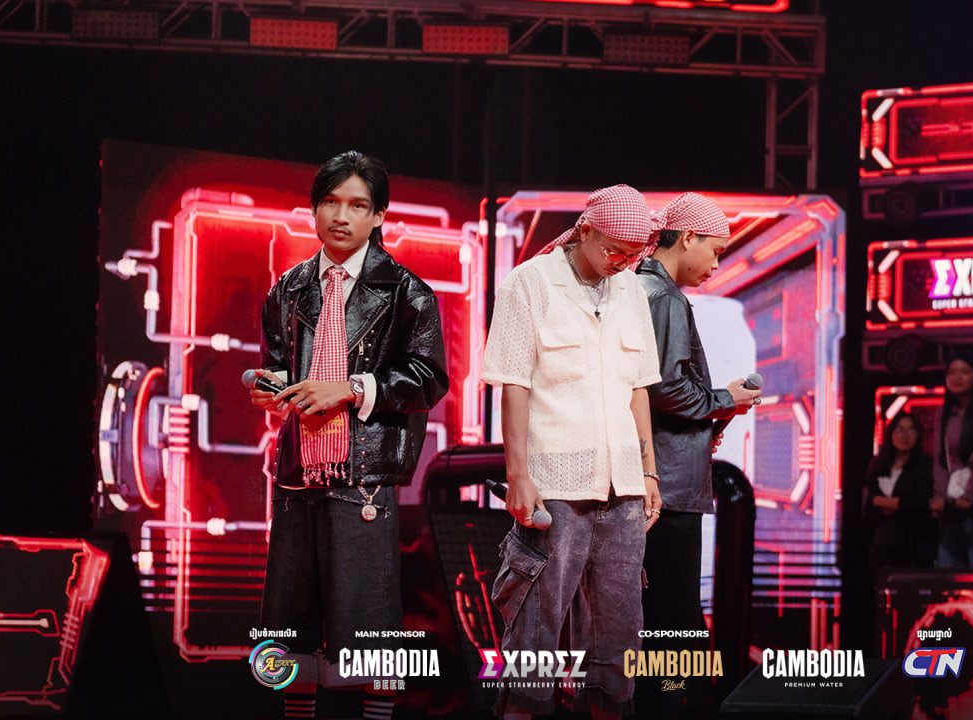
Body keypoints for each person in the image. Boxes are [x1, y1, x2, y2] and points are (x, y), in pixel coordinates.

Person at [248, 151, 450, 720]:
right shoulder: (288, 289)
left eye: (358, 205)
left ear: (379, 215)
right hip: (297, 474)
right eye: (331, 202)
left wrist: (351, 389)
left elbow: (429, 379)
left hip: (364, 477)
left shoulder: (408, 292)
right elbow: (280, 364)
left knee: (370, 630)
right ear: (313, 209)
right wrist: (269, 387)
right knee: (289, 627)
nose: (341, 216)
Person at [481, 184, 663, 718]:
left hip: (623, 489)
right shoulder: (530, 282)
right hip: (554, 486)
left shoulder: (631, 291)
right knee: (533, 638)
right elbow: (513, 384)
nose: (622, 263)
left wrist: (649, 472)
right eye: (614, 250)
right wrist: (518, 475)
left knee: (618, 647)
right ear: (584, 230)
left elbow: (638, 388)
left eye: (633, 254)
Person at [633, 192, 760, 716]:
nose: (716, 264)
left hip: (662, 478)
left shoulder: (645, 288)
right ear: (687, 238)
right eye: (715, 250)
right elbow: (665, 387)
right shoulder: (663, 297)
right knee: (674, 621)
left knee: (663, 616)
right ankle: (666, 710)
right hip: (668, 488)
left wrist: (710, 413)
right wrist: (725, 399)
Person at [929, 352, 973, 569]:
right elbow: (940, 458)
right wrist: (940, 497)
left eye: (965, 372)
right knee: (947, 567)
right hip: (950, 501)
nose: (957, 377)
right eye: (952, 372)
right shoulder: (944, 411)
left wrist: (970, 495)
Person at [865, 412, 936, 571]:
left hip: (914, 545)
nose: (904, 435)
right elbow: (869, 504)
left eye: (911, 430)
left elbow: (919, 503)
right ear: (890, 433)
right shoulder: (878, 465)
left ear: (918, 435)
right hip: (882, 544)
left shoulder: (925, 465)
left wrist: (883, 502)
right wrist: (894, 503)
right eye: (899, 430)